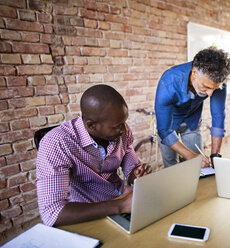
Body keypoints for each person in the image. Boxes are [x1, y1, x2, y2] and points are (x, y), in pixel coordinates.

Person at [35, 84, 152, 227]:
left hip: (121, 198)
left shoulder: (122, 131)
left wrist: (136, 174)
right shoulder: (57, 143)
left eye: (124, 123)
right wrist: (120, 206)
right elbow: (52, 213)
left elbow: (132, 167)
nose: (124, 129)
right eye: (117, 126)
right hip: (85, 213)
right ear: (91, 125)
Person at [155, 46, 230, 168]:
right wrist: (190, 156)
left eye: (214, 89)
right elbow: (164, 130)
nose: (210, 93)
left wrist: (215, 156)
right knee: (171, 166)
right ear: (195, 73)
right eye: (206, 87)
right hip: (168, 124)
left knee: (197, 167)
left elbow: (218, 117)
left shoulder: (217, 80)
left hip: (192, 121)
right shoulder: (169, 82)